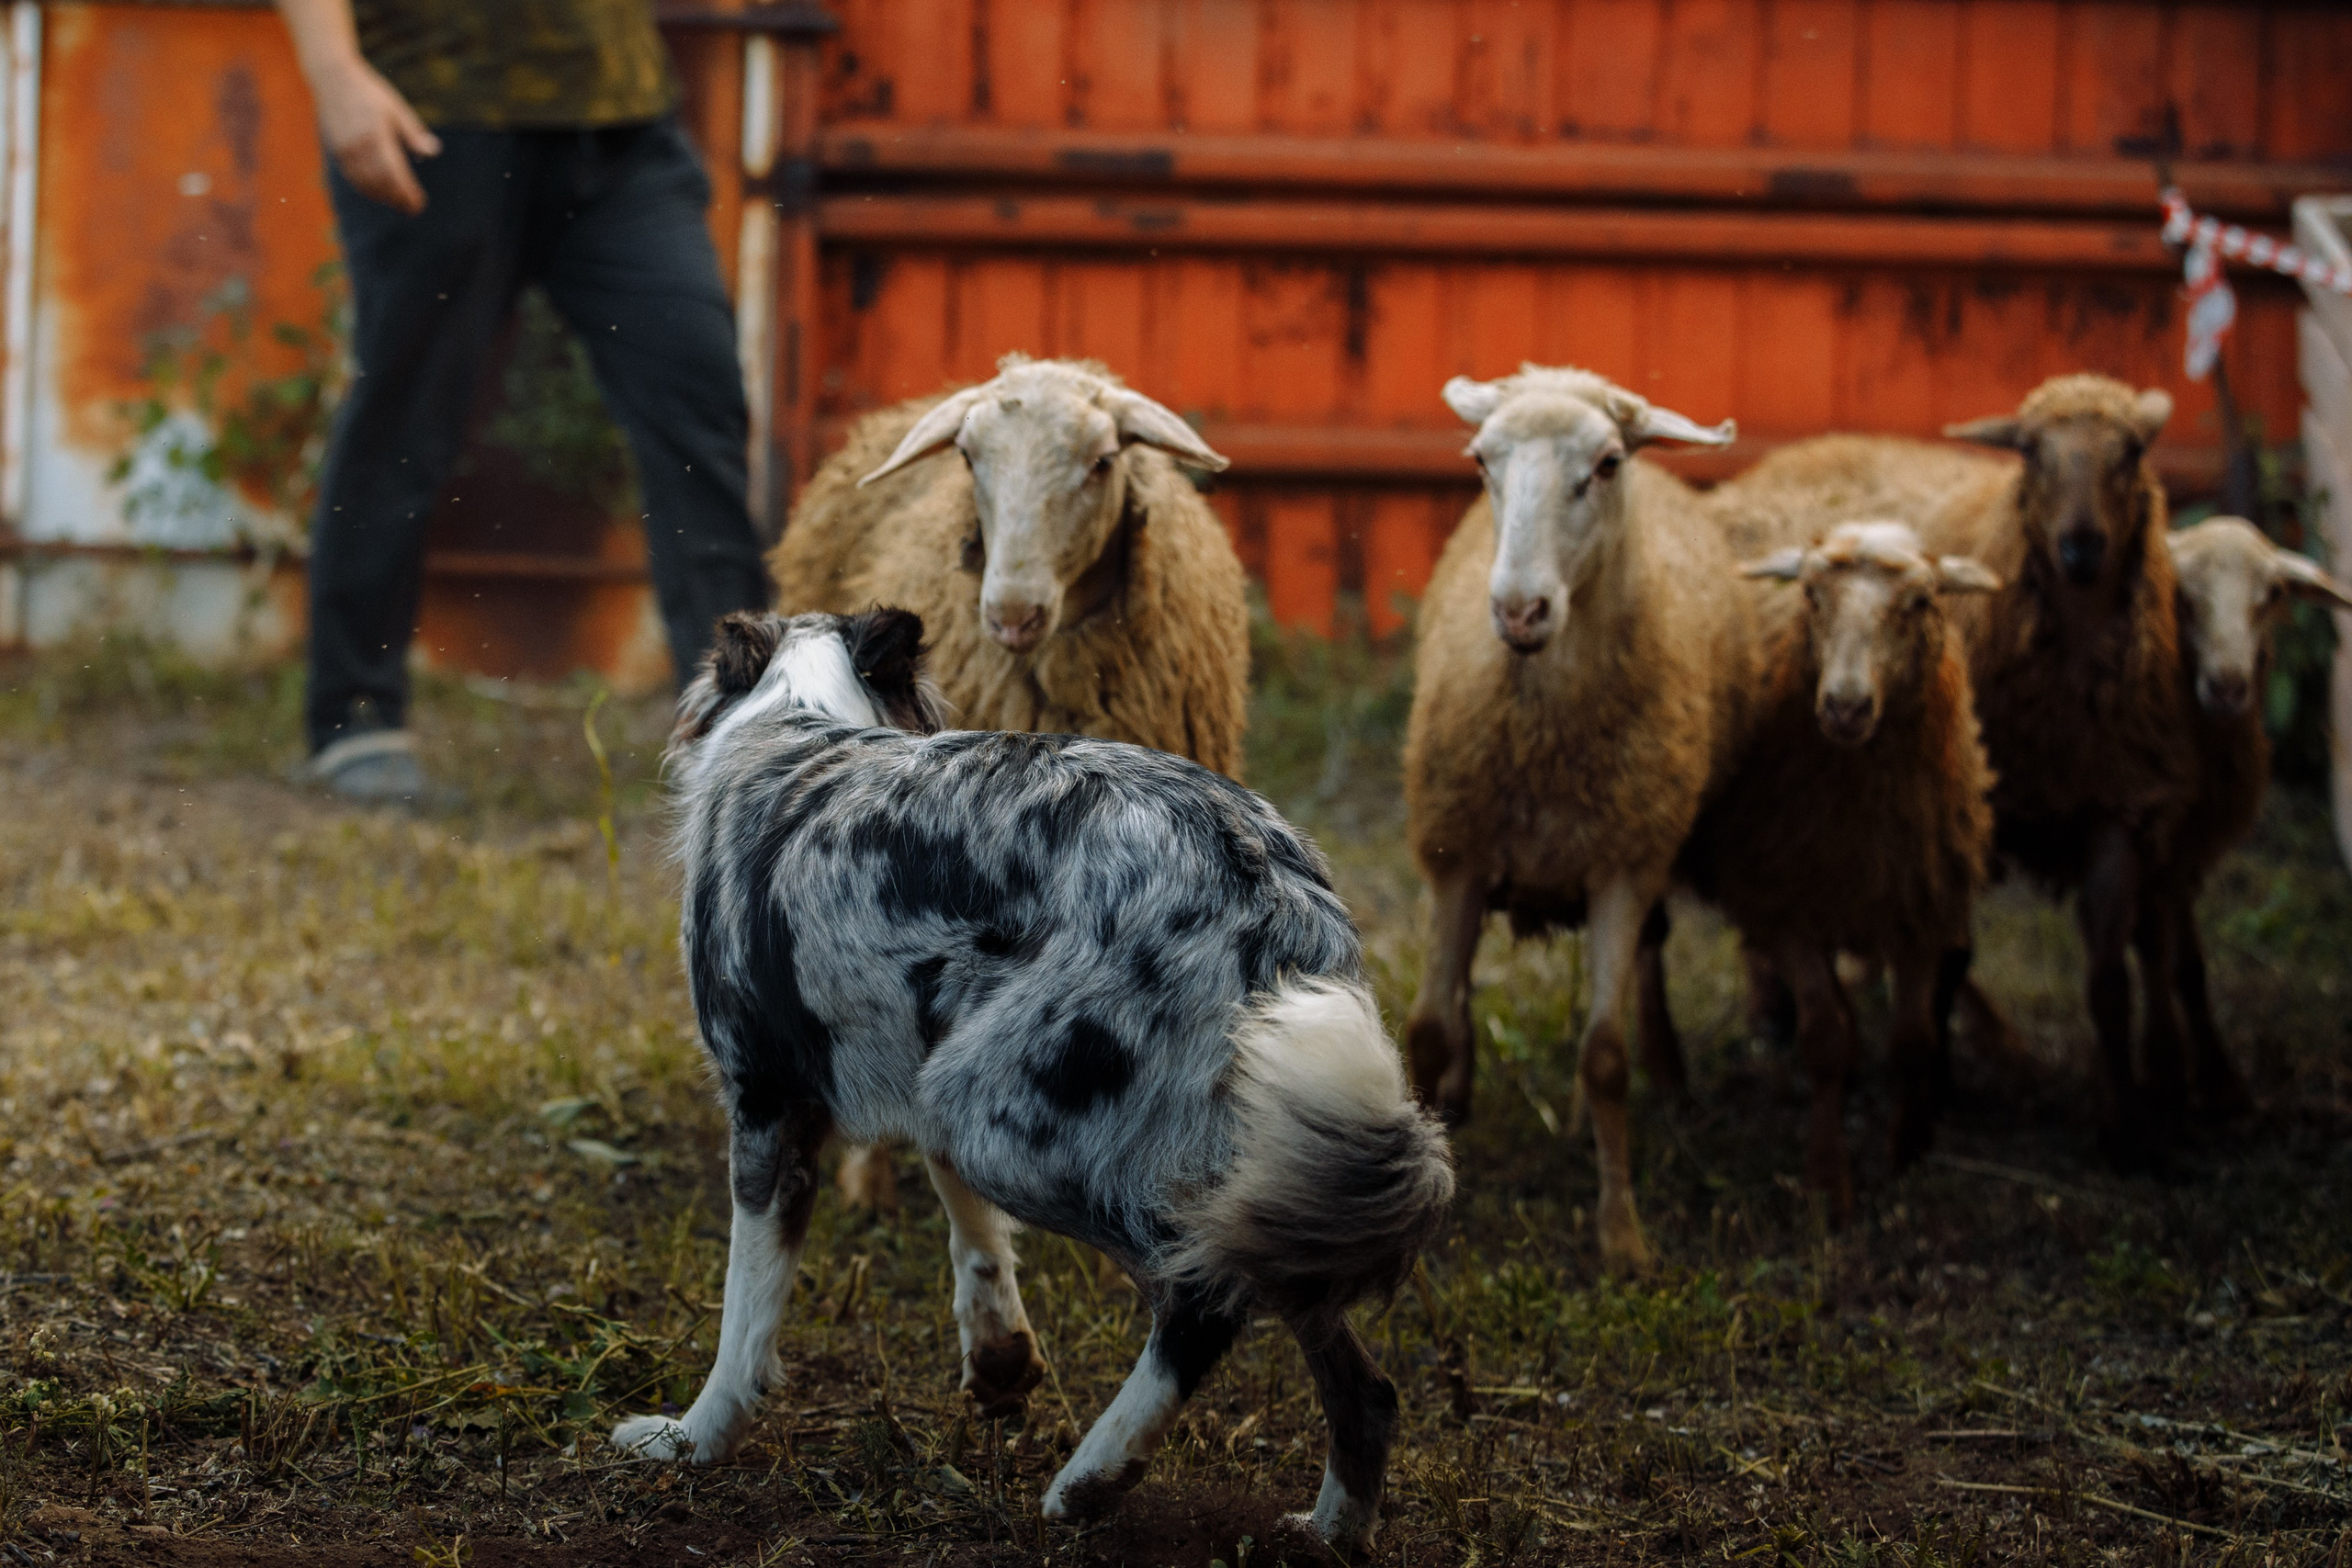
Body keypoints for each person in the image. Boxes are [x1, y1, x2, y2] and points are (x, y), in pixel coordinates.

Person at [276, 0, 771, 801]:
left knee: (695, 395)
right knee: (407, 418)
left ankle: (744, 727)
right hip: (435, 115)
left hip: (622, 122)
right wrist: (337, 77)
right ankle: (355, 720)